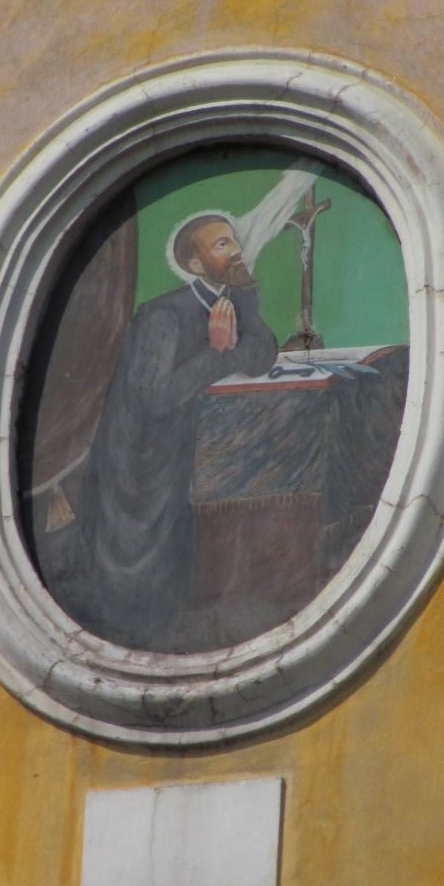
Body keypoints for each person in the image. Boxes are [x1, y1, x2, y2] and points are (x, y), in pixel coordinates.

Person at [76, 212, 277, 649]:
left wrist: (230, 351)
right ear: (195, 264)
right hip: (144, 466)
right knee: (149, 566)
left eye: (234, 241)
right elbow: (155, 396)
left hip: (189, 449)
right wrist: (219, 351)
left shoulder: (242, 301)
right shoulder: (162, 315)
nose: (236, 249)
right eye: (221, 244)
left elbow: (262, 352)